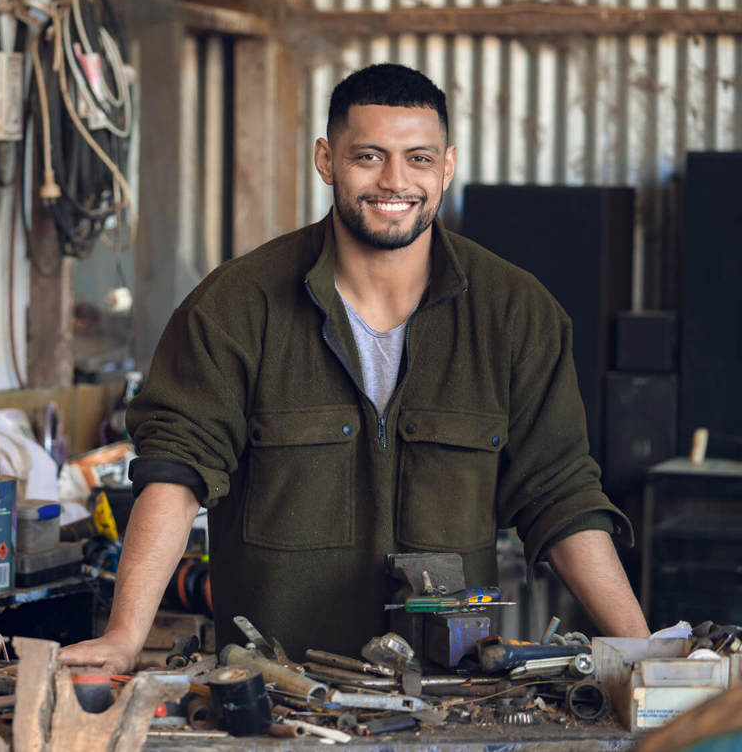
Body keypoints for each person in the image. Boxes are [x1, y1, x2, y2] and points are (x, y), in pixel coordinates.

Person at [59, 63, 650, 672]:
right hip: (278, 691)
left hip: (453, 699)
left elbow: (561, 493)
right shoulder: (237, 307)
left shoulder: (516, 314)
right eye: (368, 156)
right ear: (326, 160)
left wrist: (643, 651)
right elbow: (175, 471)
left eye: (418, 159)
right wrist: (126, 635)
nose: (395, 181)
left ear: (446, 166)